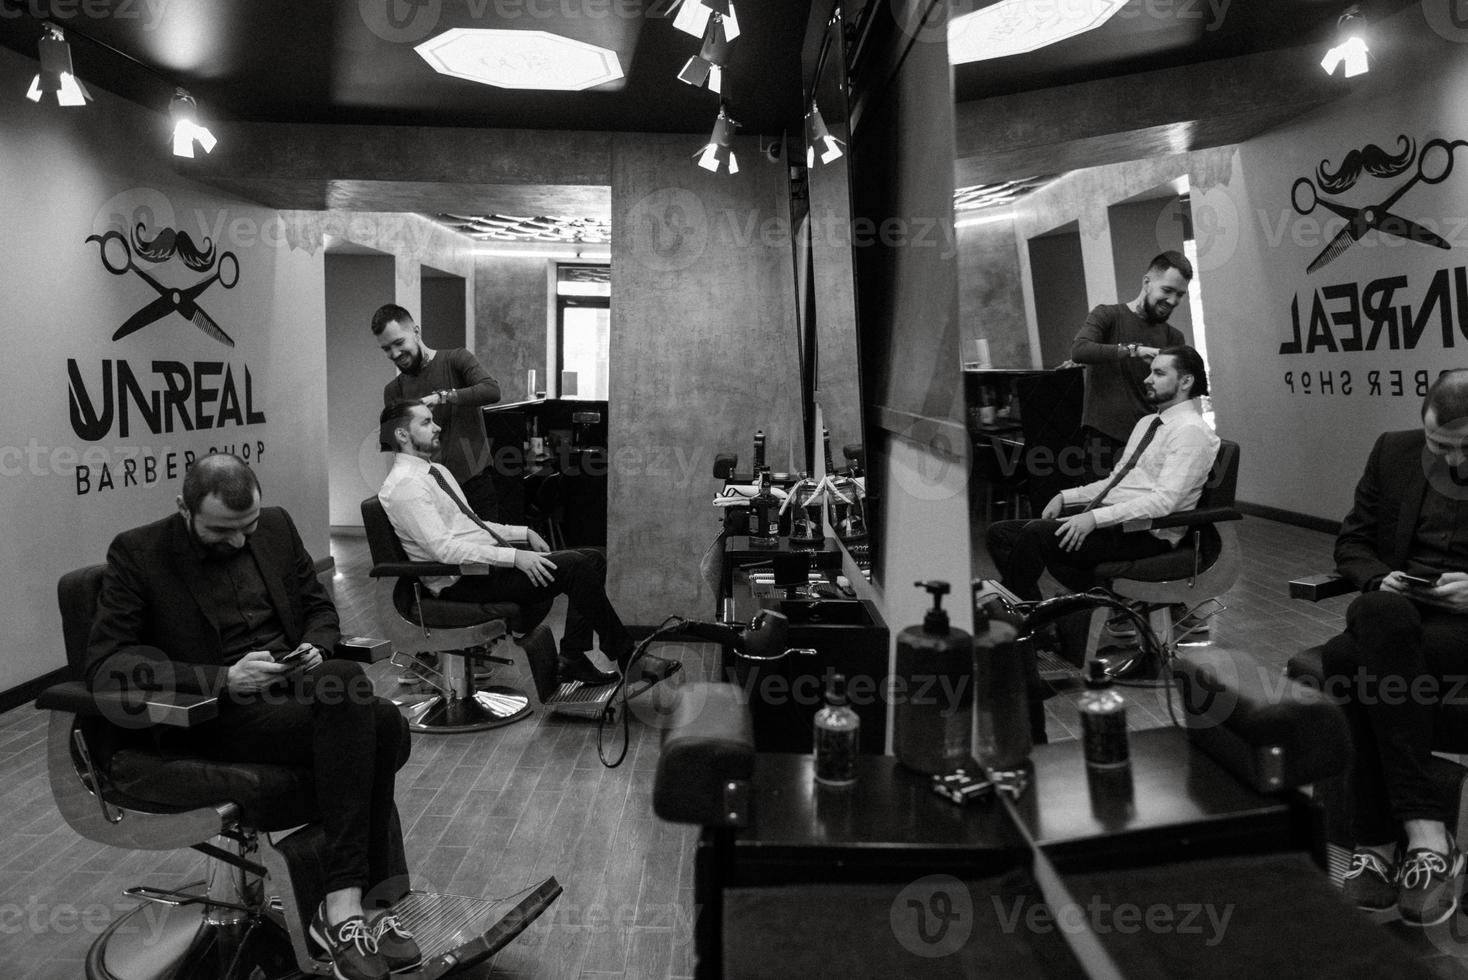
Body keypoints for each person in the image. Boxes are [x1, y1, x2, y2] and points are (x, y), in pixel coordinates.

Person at [85, 454, 418, 980]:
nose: (240, 541)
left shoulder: (278, 526)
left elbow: (318, 607)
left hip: (291, 694)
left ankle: (352, 905)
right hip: (212, 715)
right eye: (222, 530)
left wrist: (314, 644)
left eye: (249, 526)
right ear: (183, 509)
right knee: (378, 721)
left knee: (369, 707)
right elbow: (109, 665)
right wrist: (221, 677)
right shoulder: (139, 553)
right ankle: (358, 903)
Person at [378, 400, 676, 688]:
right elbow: (443, 551)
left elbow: (471, 526)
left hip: (479, 569)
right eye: (426, 422)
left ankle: (574, 656)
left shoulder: (435, 472)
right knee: (579, 565)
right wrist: (516, 558)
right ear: (402, 434)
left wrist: (522, 533)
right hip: (460, 581)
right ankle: (626, 657)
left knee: (594, 557)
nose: (438, 427)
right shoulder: (406, 486)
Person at [1324, 369, 1468, 927]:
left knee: (1344, 659)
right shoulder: (1394, 452)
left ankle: (1378, 843)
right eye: (1440, 445)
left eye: (1465, 449)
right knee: (1380, 612)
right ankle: (1424, 837)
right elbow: (1353, 540)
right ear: (1422, 424)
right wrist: (1378, 577)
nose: (1452, 461)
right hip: (1402, 615)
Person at [985, 346, 1219, 604]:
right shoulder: (1148, 423)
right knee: (1000, 533)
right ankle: (1034, 615)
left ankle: (1019, 618)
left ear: (1186, 381)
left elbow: (1165, 502)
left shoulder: (1191, 432)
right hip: (1118, 524)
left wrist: (1093, 518)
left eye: (1159, 373)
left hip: (1148, 534)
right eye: (1150, 372)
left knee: (1034, 534)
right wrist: (1066, 496)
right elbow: (1116, 482)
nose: (1147, 379)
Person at [372, 303, 504, 520]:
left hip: (474, 484)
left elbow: (492, 390)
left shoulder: (456, 360)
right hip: (429, 491)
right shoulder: (393, 390)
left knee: (490, 549)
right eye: (386, 349)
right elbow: (399, 450)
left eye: (398, 342)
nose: (394, 353)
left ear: (416, 332)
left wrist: (442, 397)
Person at [1070, 251, 1192, 479]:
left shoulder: (1174, 337)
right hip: (1104, 441)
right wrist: (1134, 350)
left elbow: (1176, 397)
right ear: (1147, 282)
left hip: (1150, 441)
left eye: (1180, 294)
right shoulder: (1107, 316)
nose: (1173, 301)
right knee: (1099, 510)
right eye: (1167, 290)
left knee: (1141, 511)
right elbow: (1079, 350)